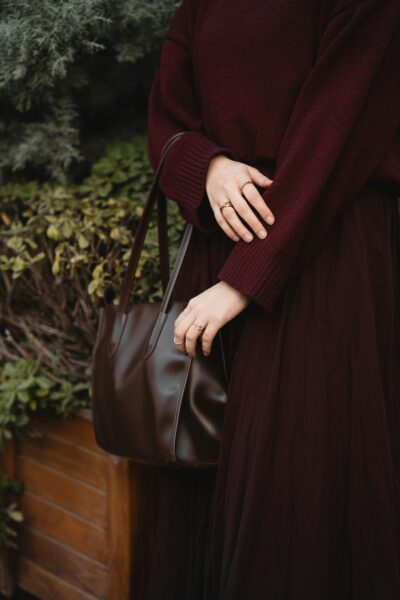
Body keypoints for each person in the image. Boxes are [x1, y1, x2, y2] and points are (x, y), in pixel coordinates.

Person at [145, 0, 400, 598]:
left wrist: (245, 279)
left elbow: (341, 130)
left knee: (298, 503)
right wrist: (207, 168)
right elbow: (166, 115)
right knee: (205, 489)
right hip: (221, 244)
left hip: (324, 261)